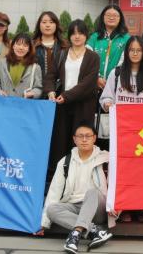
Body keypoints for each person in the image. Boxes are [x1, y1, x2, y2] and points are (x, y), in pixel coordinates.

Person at [99, 35, 143, 224]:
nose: (135, 53)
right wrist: (108, 104)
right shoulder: (116, 73)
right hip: (122, 132)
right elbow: (105, 97)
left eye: (138, 50)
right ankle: (125, 206)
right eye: (131, 50)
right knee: (123, 170)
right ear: (126, 52)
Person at [42, 121, 113, 253]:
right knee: (52, 210)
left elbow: (117, 186)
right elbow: (54, 192)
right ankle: (95, 230)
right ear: (74, 139)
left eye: (88, 136)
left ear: (94, 138)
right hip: (74, 207)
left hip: (98, 207)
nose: (84, 139)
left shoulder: (106, 158)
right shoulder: (65, 162)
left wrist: (116, 208)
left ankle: (75, 234)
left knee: (92, 192)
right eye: (80, 136)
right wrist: (44, 223)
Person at [45, 19, 100, 172]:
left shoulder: (93, 57)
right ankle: (58, 174)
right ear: (69, 36)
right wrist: (50, 91)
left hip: (83, 106)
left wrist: (67, 95)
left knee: (81, 140)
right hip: (61, 105)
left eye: (80, 33)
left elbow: (88, 83)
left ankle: (81, 174)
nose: (77, 36)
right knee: (60, 141)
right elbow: (50, 76)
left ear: (86, 35)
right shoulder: (61, 54)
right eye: (73, 33)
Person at [86, 4, 130, 90]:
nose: (111, 18)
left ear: (120, 18)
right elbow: (87, 58)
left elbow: (125, 61)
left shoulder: (126, 38)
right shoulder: (94, 37)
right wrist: (97, 77)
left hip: (116, 84)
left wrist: (113, 77)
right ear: (103, 17)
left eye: (115, 15)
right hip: (94, 84)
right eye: (108, 15)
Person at [0, 33, 42, 98]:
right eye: (18, 44)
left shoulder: (35, 67)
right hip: (3, 102)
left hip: (24, 103)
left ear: (29, 49)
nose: (21, 48)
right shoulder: (0, 64)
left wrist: (33, 93)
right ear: (13, 46)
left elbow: (38, 88)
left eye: (25, 45)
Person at [33, 11, 68, 81]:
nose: (47, 25)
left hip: (59, 85)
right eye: (44, 22)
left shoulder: (65, 46)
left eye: (51, 22)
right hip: (36, 85)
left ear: (56, 25)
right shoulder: (32, 45)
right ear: (39, 25)